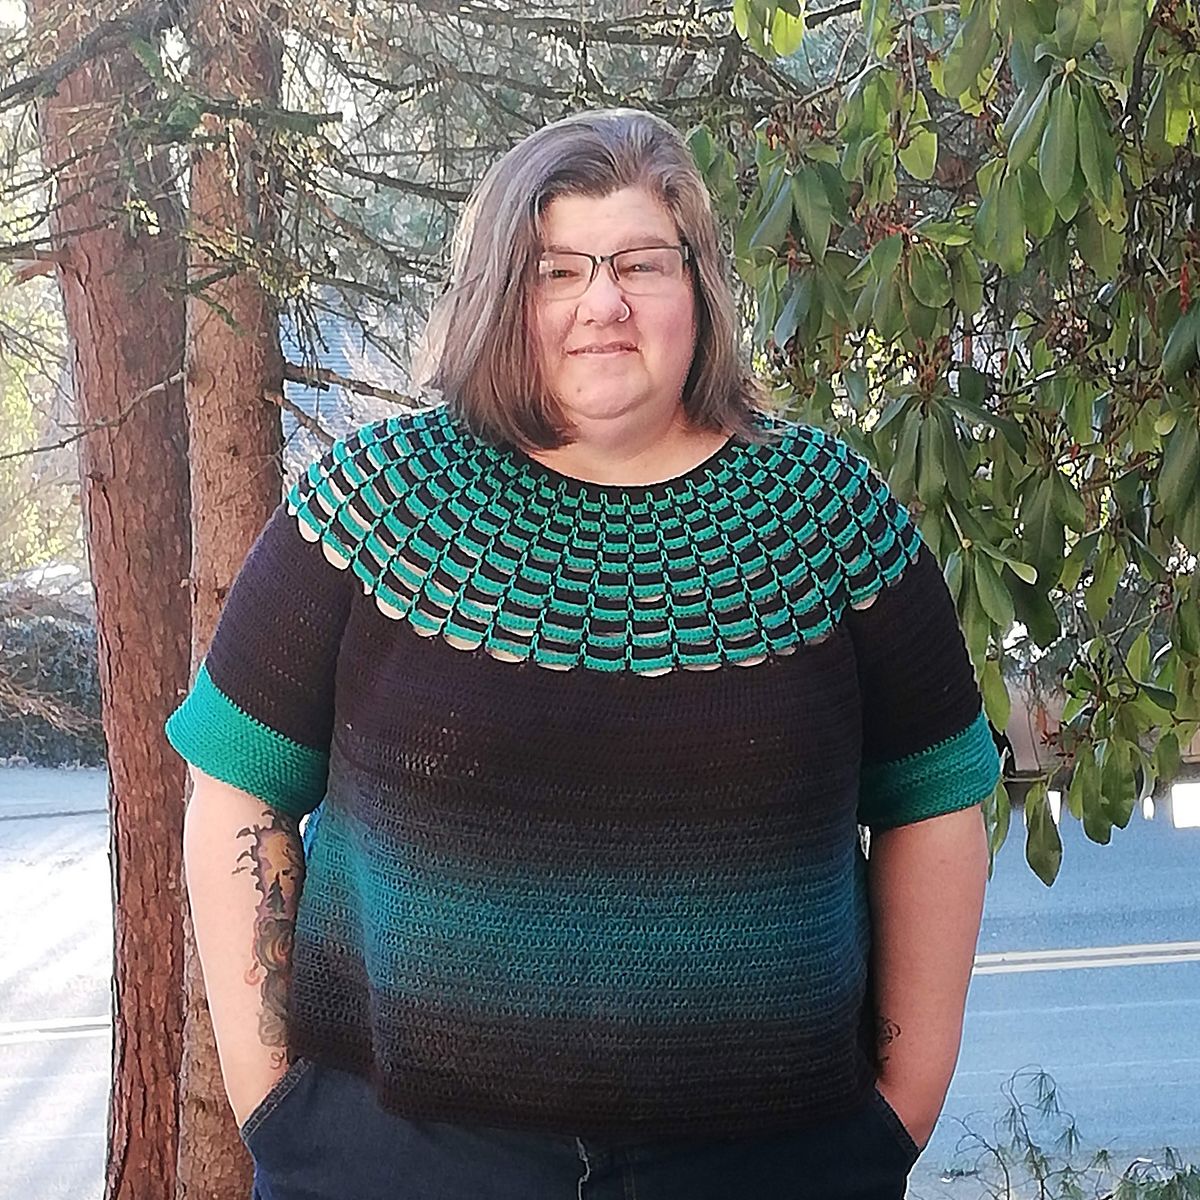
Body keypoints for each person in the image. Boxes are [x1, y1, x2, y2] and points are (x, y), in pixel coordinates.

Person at [166, 107, 1000, 1200]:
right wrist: (274, 1101)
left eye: (641, 263)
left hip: (771, 1167)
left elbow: (935, 805)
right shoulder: (369, 508)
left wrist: (901, 1109)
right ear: (500, 296)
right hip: (400, 1167)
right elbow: (234, 789)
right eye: (557, 269)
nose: (602, 302)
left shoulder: (833, 519)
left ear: (698, 285)